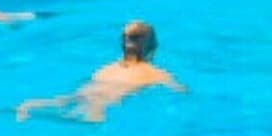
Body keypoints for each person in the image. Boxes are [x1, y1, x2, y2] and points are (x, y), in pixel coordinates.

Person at [11, 21, 186, 123]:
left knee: (62, 101)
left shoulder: (106, 68)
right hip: (102, 104)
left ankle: (28, 106)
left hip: (83, 92)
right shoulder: (155, 74)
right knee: (93, 118)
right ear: (153, 48)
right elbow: (181, 91)